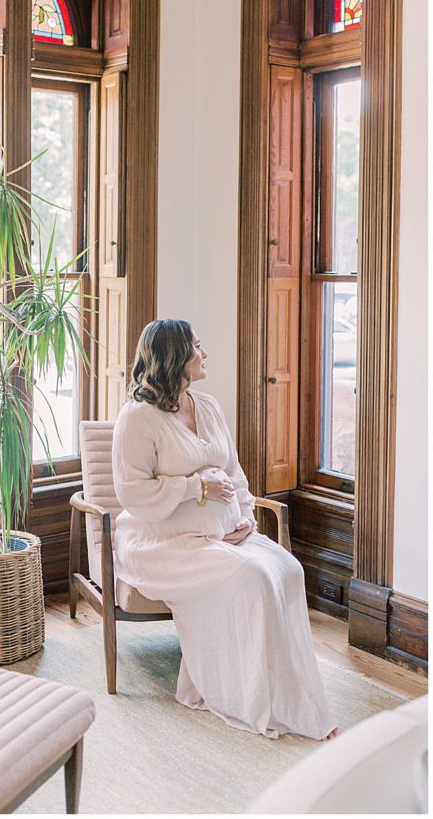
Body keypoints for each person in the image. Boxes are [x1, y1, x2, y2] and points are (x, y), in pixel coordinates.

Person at [112, 318, 337, 741]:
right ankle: (243, 695)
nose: (205, 353)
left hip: (224, 531)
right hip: (161, 543)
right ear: (174, 357)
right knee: (250, 576)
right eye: (197, 347)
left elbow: (234, 472)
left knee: (289, 570)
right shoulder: (137, 418)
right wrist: (195, 487)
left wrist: (245, 515)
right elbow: (132, 494)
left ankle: (287, 696)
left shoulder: (209, 406)